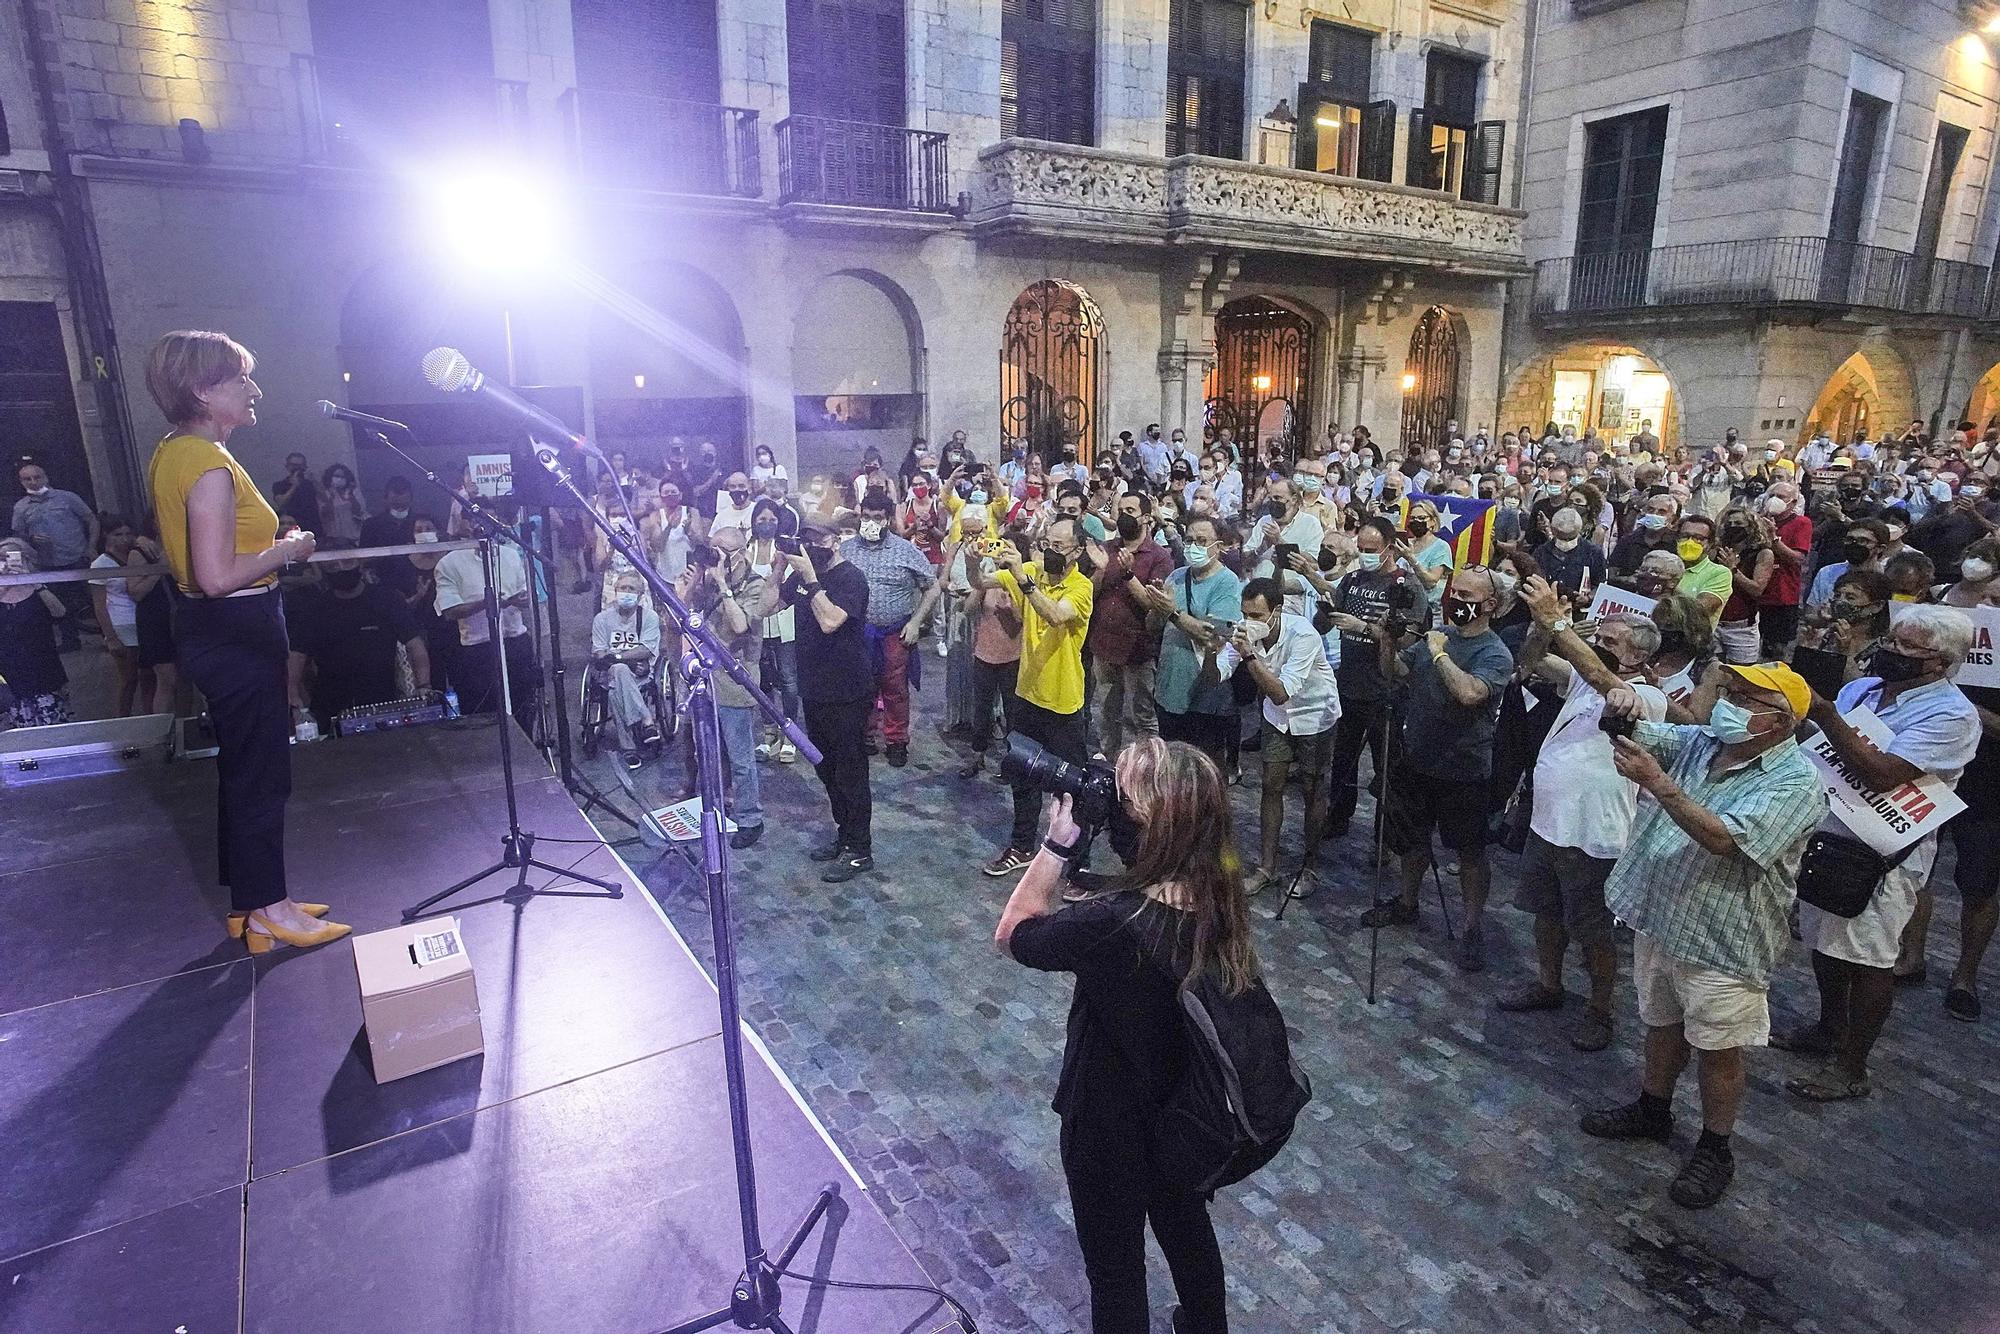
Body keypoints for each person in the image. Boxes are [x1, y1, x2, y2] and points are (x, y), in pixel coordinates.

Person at [995, 736, 1246, 1334]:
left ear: (1149, 823)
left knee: (1116, 1275)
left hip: (1108, 1123)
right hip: (1184, 1113)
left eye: (1119, 791)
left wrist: (1058, 846)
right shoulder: (1215, 890)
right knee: (1185, 1227)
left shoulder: (1113, 926)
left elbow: (1014, 934)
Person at [1581, 662, 1825, 1208]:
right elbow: (1641, 729)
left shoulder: (1796, 782)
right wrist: (1618, 705)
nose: (1727, 702)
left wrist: (1659, 784)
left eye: (1744, 697)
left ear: (1779, 721)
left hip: (1724, 936)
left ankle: (1716, 1147)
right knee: (1660, 1022)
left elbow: (1723, 840)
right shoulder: (1703, 742)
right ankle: (1653, 1106)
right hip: (1663, 915)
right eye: (1729, 690)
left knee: (1718, 1048)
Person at [144, 330, 344, 952]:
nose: (254, 390)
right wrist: (289, 549)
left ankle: (254, 906)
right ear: (203, 391)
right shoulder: (206, 463)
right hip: (236, 628)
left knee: (245, 769)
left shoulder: (176, 451)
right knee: (261, 775)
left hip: (217, 628)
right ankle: (272, 908)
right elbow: (216, 576)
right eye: (240, 380)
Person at [1775, 607, 1981, 1098]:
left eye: (1908, 648)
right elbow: (1821, 748)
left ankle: (1852, 1068)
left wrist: (1823, 712)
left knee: (1869, 958)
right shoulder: (1862, 690)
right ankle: (1828, 1029)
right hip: (1826, 831)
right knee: (1825, 945)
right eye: (1892, 640)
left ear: (1941, 663)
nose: (1892, 651)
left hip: (1885, 854)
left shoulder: (1952, 715)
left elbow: (1885, 773)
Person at [1498, 579, 1669, 1051]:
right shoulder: (1579, 678)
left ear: (1638, 657)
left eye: (1611, 641)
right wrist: (1539, 628)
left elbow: (1603, 682)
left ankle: (1601, 1010)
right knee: (1545, 913)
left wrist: (1558, 622)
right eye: (1600, 638)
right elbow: (1529, 665)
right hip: (1548, 821)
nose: (1599, 644)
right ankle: (1549, 984)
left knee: (1592, 930)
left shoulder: (1650, 698)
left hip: (1596, 834)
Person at [1362, 566, 1515, 971]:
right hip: (1419, 755)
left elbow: (1469, 693)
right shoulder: (1441, 634)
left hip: (1464, 766)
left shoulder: (1494, 652)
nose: (1457, 601)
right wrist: (1387, 644)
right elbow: (1395, 672)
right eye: (1455, 593)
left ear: (1490, 605)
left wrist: (1440, 652)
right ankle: (1408, 902)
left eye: (1467, 595)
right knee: (1413, 839)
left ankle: (1471, 926)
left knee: (1469, 850)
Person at [973, 514, 1095, 876]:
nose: (1050, 552)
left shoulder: (1081, 586)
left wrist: (1025, 581)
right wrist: (969, 554)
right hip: (1026, 695)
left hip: (1063, 702)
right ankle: (1022, 845)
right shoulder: (1030, 570)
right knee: (1021, 776)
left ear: (1076, 552)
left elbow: (1056, 615)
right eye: (1046, 544)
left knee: (1070, 787)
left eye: (1059, 546)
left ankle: (1078, 863)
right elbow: (979, 580)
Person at [1215, 576, 1340, 897]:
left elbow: (1281, 691)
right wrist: (1205, 648)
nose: (1249, 622)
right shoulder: (1244, 634)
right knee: (1272, 786)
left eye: (1256, 616)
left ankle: (1308, 866)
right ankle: (1266, 868)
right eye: (1245, 614)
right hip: (1277, 718)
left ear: (1277, 611)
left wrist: (1248, 656)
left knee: (1313, 790)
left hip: (1315, 714)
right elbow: (1218, 671)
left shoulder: (1303, 635)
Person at [781, 519, 875, 882]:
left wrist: (812, 581)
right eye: (805, 540)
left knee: (851, 771)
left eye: (817, 539)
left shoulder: (850, 578)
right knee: (826, 768)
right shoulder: (802, 575)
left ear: (835, 541)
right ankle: (844, 834)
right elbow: (769, 605)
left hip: (848, 690)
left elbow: (831, 621)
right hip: (814, 687)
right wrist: (780, 566)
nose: (811, 546)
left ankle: (860, 849)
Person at [679, 528, 778, 846]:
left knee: (740, 759)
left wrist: (722, 584)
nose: (716, 556)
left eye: (722, 551)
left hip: (734, 685)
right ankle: (715, 808)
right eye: (713, 549)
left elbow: (739, 626)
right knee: (706, 752)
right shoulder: (706, 582)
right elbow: (680, 614)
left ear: (741, 553)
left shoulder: (755, 585)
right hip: (703, 681)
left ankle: (751, 818)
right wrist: (697, 579)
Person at [842, 492, 943, 767]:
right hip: (859, 634)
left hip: (895, 633)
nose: (871, 522)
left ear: (887, 519)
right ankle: (866, 736)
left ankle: (897, 741)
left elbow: (932, 588)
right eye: (866, 517)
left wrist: (916, 622)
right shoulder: (846, 550)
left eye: (877, 518)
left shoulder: (905, 550)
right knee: (862, 688)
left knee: (895, 690)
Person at [285, 541, 430, 731]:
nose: (341, 569)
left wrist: (424, 686)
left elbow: (415, 644)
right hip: (329, 705)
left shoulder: (386, 599)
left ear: (359, 562)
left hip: (382, 700)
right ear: (323, 568)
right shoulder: (314, 609)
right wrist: (294, 700)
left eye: (347, 563)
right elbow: (297, 656)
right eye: (333, 566)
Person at [1143, 516, 1242, 769]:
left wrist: (1173, 612)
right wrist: (1157, 608)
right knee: (1170, 767)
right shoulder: (1176, 576)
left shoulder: (1227, 583)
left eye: (1201, 541)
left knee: (1200, 770)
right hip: (1169, 689)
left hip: (1204, 695)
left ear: (1218, 546)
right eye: (1189, 540)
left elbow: (1214, 636)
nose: (1193, 546)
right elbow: (1153, 627)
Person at [1087, 491, 1171, 758]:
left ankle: (1144, 767)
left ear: (1146, 518)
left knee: (1140, 715)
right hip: (1104, 644)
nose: (1124, 516)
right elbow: (1090, 595)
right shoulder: (1107, 549)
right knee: (1107, 710)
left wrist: (1127, 573)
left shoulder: (1159, 557)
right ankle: (1108, 761)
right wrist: (1100, 570)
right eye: (1121, 510)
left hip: (1137, 648)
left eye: (1131, 511)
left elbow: (1153, 603)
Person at [434, 502, 535, 718]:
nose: (486, 525)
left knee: (523, 706)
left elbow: (527, 597)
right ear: (466, 523)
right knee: (483, 712)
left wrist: (518, 600)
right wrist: (486, 603)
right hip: (478, 650)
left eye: (491, 519)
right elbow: (450, 611)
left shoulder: (510, 555)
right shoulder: (449, 563)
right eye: (479, 519)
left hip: (514, 642)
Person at [11, 461, 98, 650]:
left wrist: (91, 547)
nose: (33, 482)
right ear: (21, 482)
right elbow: (18, 537)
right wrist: (31, 539)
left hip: (78, 559)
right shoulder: (20, 508)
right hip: (47, 565)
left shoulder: (67, 498)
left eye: (37, 477)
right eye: (28, 479)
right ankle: (70, 641)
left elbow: (91, 519)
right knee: (59, 606)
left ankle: (110, 637)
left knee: (97, 600)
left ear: (45, 477)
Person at [90, 516, 168, 717]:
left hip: (143, 620)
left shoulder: (137, 554)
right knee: (129, 680)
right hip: (121, 623)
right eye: (118, 534)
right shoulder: (100, 565)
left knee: (149, 676)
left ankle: (150, 719)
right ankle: (123, 722)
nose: (124, 539)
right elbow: (99, 605)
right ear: (107, 535)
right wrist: (111, 637)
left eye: (127, 534)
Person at [590, 571, 663, 770]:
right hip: (611, 672)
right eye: (623, 588)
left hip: (639, 673)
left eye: (632, 589)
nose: (627, 592)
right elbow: (599, 652)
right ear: (615, 591)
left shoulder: (648, 617)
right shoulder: (602, 619)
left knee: (616, 689)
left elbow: (646, 649)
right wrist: (621, 660)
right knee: (619, 672)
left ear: (640, 595)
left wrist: (618, 657)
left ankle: (628, 747)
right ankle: (646, 720)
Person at [746, 502, 801, 764]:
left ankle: (790, 734)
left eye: (771, 518)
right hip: (757, 625)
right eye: (761, 518)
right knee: (763, 680)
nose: (766, 523)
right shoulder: (746, 551)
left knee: (789, 680)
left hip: (783, 620)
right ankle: (769, 733)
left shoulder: (787, 549)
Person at [0, 537, 73, 727]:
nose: (9, 562)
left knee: (55, 724)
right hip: (10, 671)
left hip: (43, 666)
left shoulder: (40, 586)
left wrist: (33, 582)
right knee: (21, 726)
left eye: (14, 557)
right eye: (2, 558)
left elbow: (60, 613)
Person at [1757, 482, 1813, 658]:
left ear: (1793, 502)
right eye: (1772, 496)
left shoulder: (1801, 523)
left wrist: (1773, 539)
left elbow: (1798, 558)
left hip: (1782, 595)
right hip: (1757, 593)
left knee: (1777, 650)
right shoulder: (1758, 520)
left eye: (1781, 497)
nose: (1774, 500)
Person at [359, 476, 419, 548]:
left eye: (403, 490)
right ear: (385, 497)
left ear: (411, 496)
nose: (399, 495)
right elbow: (364, 556)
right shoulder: (371, 525)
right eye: (395, 491)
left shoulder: (424, 524)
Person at [317, 463, 365, 545]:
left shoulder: (354, 492)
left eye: (342, 477)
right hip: (333, 538)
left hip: (353, 537)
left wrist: (351, 495)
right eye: (336, 476)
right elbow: (325, 514)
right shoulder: (325, 493)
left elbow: (359, 512)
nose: (339, 479)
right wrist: (331, 496)